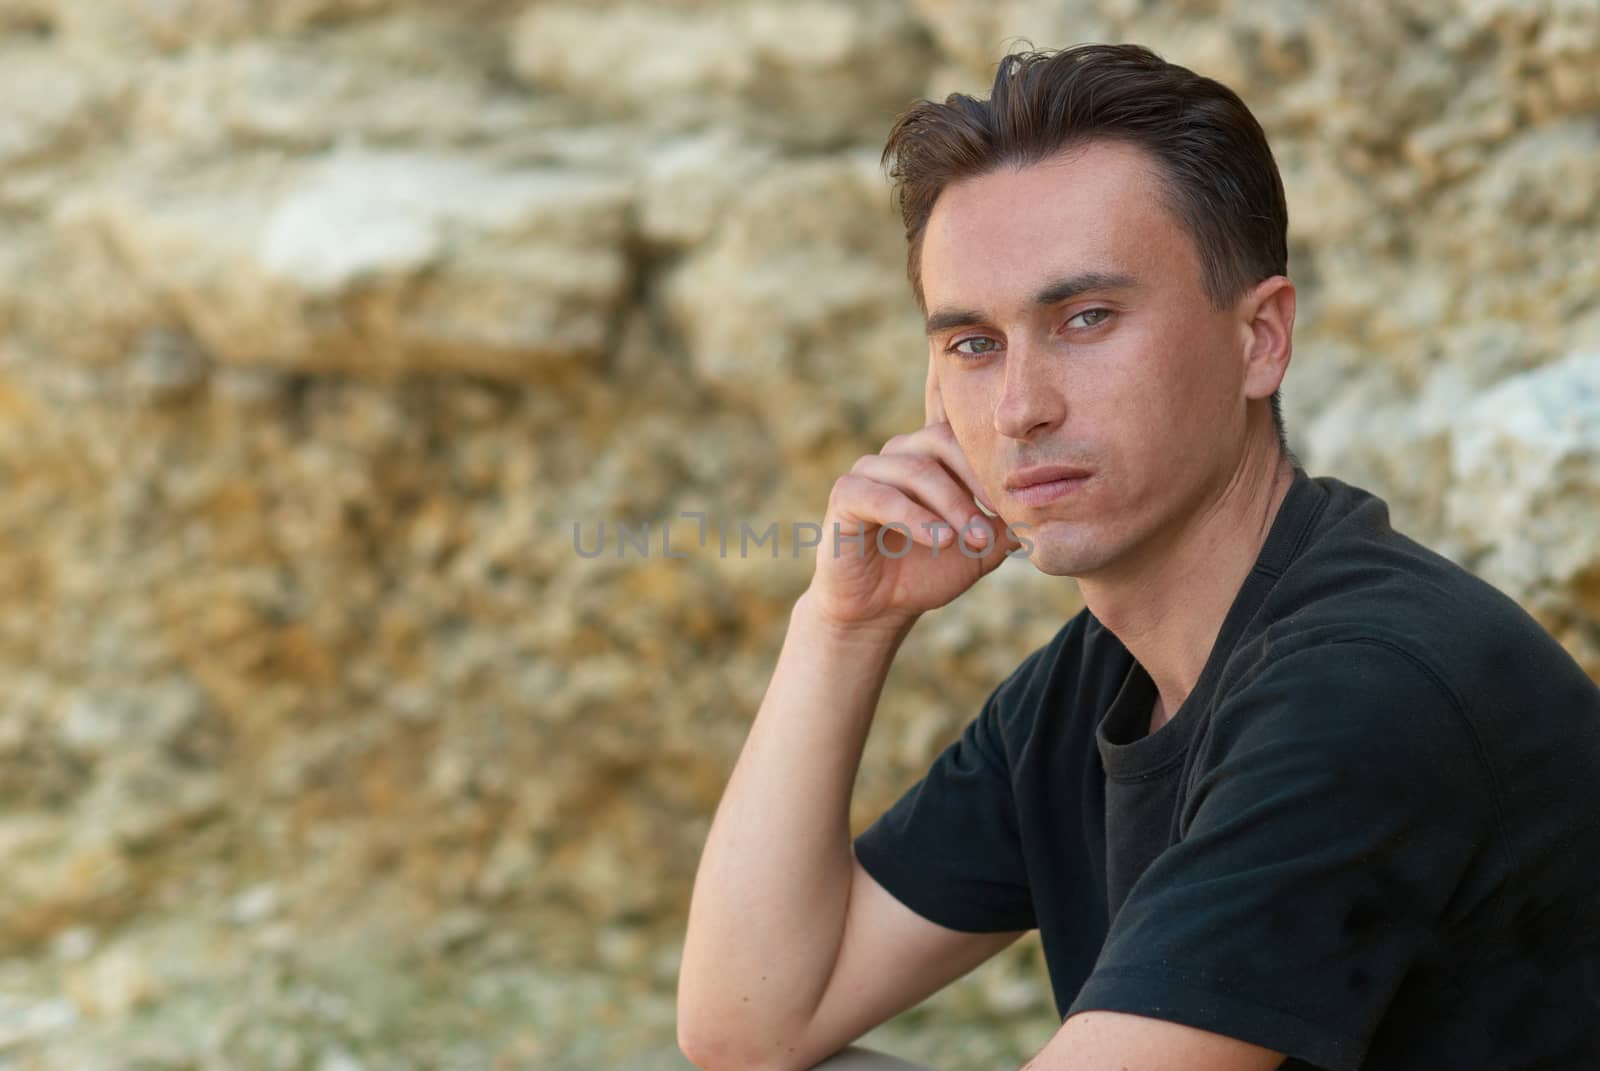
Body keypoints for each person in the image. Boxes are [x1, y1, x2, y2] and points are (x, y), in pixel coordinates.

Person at [676, 43, 1600, 1071]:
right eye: (973, 343)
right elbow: (748, 1026)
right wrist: (843, 624)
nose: (1023, 408)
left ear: (1261, 338)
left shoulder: (1367, 686)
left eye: (1085, 319)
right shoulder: (1098, 681)